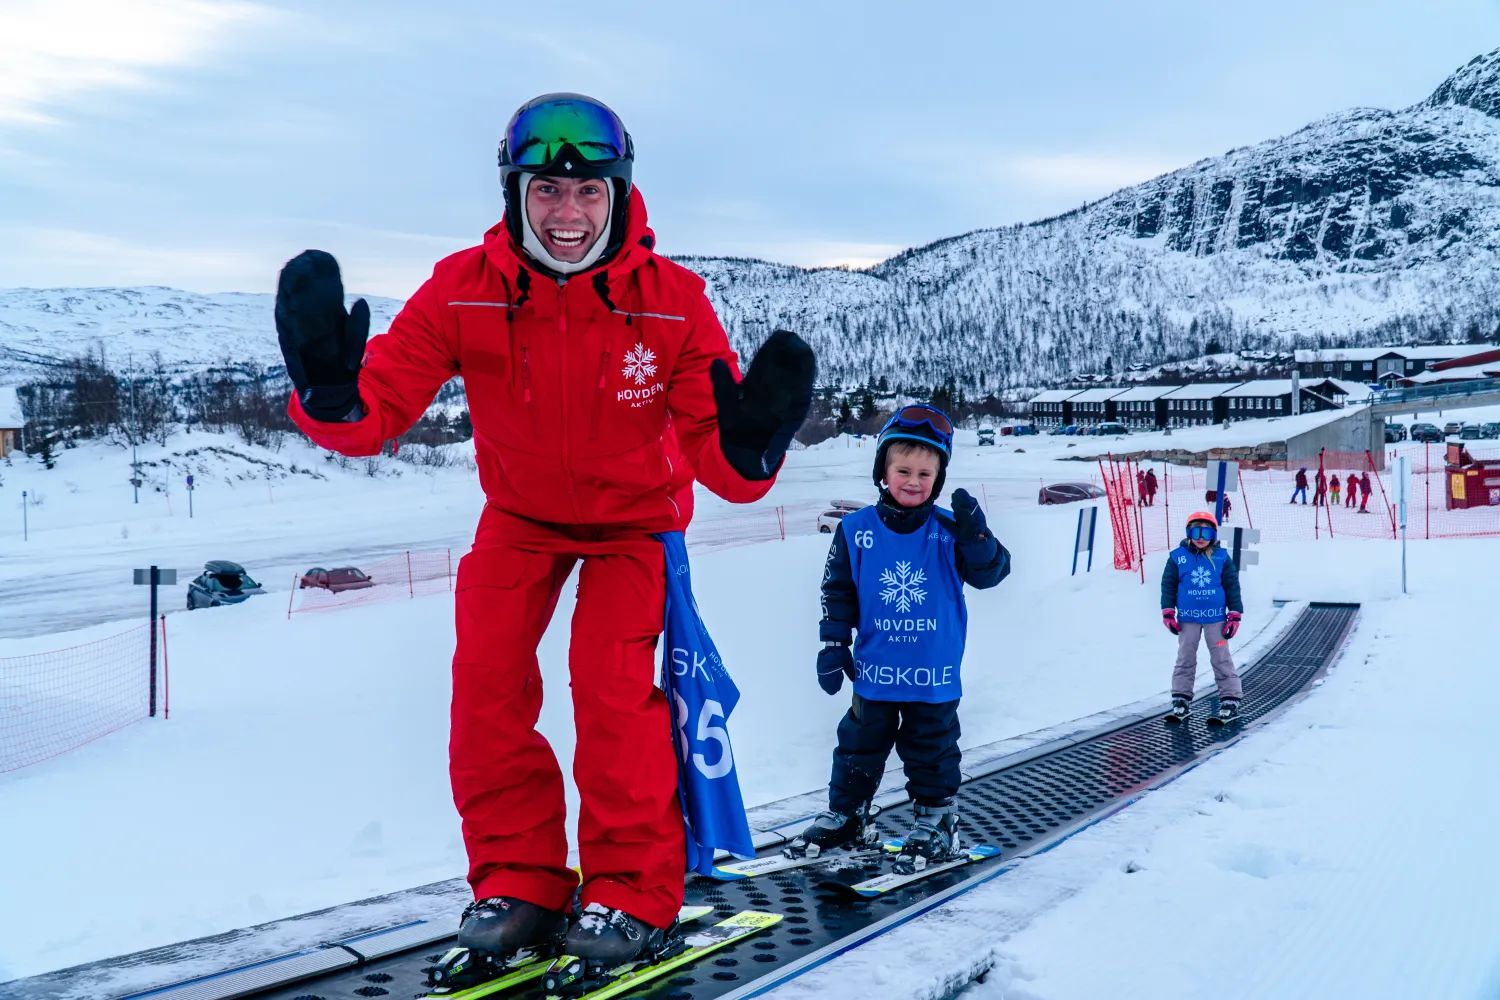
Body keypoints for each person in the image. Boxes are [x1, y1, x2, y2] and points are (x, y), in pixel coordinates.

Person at [274, 94, 816, 967]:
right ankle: (519, 878)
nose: (568, 214)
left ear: (619, 194)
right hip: (520, 520)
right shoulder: (465, 289)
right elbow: (376, 413)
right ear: (515, 194)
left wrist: (751, 451)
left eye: (588, 192)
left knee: (608, 685)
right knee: (485, 680)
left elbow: (720, 456)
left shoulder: (675, 301)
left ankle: (630, 891)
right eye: (548, 192)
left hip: (635, 525)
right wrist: (331, 395)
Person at [794, 405, 1010, 862]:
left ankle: (937, 818)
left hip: (931, 673)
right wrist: (834, 643)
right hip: (874, 670)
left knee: (931, 747)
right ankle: (848, 815)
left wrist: (978, 538)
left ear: (939, 478)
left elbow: (992, 573)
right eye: (903, 470)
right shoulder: (855, 530)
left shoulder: (952, 531)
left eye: (925, 473)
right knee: (858, 744)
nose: (914, 481)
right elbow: (838, 589)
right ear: (883, 472)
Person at [1160, 511, 1244, 724]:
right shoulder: (1177, 557)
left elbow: (1232, 586)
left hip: (1216, 620)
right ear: (1188, 533)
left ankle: (1230, 698)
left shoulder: (1221, 557)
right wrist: (1168, 611)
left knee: (1220, 655)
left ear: (1213, 534)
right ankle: (1181, 698)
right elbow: (1168, 585)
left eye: (1205, 532)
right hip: (1188, 620)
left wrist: (1234, 614)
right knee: (1185, 656)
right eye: (1195, 531)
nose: (1200, 537)